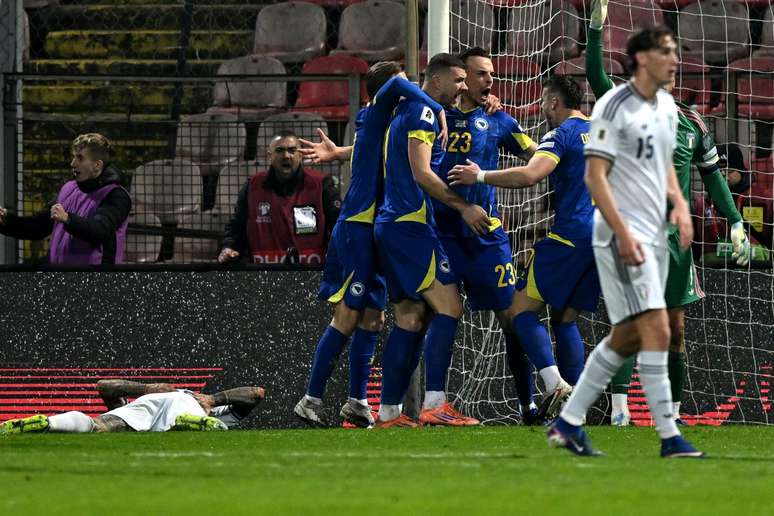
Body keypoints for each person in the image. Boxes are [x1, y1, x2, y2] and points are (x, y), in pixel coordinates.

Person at [586, 0, 750, 426]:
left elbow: (713, 178)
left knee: (675, 329)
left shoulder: (692, 123)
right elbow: (596, 77)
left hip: (674, 240)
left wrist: (735, 222)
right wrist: (593, 30)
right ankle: (620, 413)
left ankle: (670, 415)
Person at [547, 26, 704, 457]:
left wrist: (679, 206)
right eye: (666, 54)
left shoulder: (669, 107)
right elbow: (594, 177)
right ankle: (669, 436)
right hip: (618, 232)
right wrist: (623, 233)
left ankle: (568, 422)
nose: (675, 62)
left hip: (655, 233)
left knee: (628, 336)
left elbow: (666, 165)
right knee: (654, 327)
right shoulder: (610, 107)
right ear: (641, 60)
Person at [293, 61, 447, 428]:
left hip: (377, 225)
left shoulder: (382, 121)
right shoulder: (376, 108)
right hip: (358, 225)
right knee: (347, 315)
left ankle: (358, 402)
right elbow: (397, 88)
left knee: (374, 318)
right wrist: (438, 109)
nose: (411, 90)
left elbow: (371, 150)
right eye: (404, 84)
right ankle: (310, 399)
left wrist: (339, 153)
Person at [449, 74, 600, 421]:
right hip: (604, 237)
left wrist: (481, 176)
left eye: (543, 100)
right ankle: (572, 412)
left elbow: (532, 175)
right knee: (565, 320)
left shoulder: (560, 135)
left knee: (519, 313)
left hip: (570, 235)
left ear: (552, 102)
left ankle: (555, 386)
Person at [425, 46, 542, 425]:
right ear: (461, 78)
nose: (489, 81)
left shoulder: (500, 121)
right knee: (426, 315)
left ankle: (528, 405)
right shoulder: (431, 115)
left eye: (491, 74)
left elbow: (536, 156)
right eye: (480, 74)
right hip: (440, 232)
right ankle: (423, 404)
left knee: (512, 316)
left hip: (484, 235)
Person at [373, 53, 490, 428]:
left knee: (410, 317)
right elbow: (422, 173)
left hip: (394, 224)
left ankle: (388, 412)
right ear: (436, 81)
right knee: (450, 307)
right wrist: (463, 208)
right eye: (457, 81)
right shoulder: (423, 112)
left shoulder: (405, 112)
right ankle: (435, 403)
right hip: (411, 225)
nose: (462, 87)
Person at [0, 133, 130, 264]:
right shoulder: (68, 188)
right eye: (74, 157)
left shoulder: (116, 195)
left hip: (96, 280)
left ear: (97, 165)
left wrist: (68, 219)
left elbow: (100, 230)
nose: (73, 163)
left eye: (80, 158)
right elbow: (39, 226)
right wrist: (6, 221)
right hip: (59, 276)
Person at [218, 130, 341, 266]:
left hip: (312, 274)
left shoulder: (321, 184)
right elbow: (236, 227)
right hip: (262, 276)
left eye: (292, 150)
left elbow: (339, 226)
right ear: (269, 156)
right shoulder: (252, 187)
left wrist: (337, 252)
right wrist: (229, 247)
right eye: (280, 150)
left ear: (300, 155)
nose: (286, 156)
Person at [0, 379, 265, 434]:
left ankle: (50, 422)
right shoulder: (218, 416)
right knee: (183, 422)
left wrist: (146, 391)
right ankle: (187, 423)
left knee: (99, 426)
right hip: (188, 409)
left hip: (154, 404)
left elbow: (255, 394)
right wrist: (211, 401)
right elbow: (256, 393)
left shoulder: (219, 413)